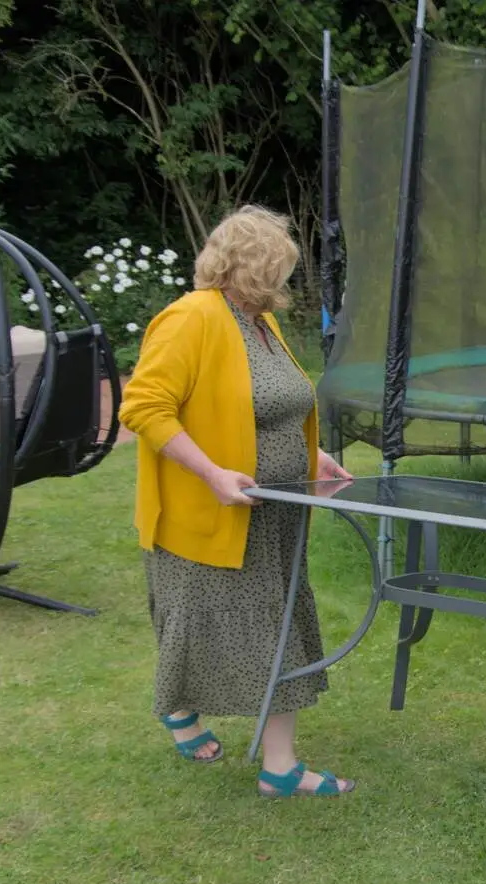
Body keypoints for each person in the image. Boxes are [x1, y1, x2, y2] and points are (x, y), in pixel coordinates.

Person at [118, 205, 356, 799]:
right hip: (216, 514)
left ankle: (272, 762)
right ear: (253, 266)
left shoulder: (259, 324)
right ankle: (207, 725)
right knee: (206, 630)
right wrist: (211, 473)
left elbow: (276, 407)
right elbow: (143, 407)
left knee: (277, 632)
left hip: (275, 516)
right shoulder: (190, 319)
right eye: (281, 269)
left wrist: (312, 458)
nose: (287, 282)